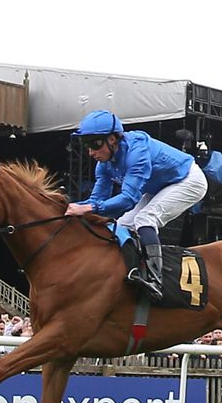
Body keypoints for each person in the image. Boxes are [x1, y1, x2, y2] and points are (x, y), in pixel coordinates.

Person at [63, 110, 208, 301]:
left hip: (189, 179)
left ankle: (156, 281)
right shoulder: (104, 164)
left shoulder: (136, 152)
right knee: (122, 226)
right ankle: (128, 272)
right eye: (86, 145)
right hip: (160, 186)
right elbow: (96, 201)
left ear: (113, 139)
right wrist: (66, 207)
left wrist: (89, 209)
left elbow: (127, 199)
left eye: (95, 144)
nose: (91, 152)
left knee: (144, 219)